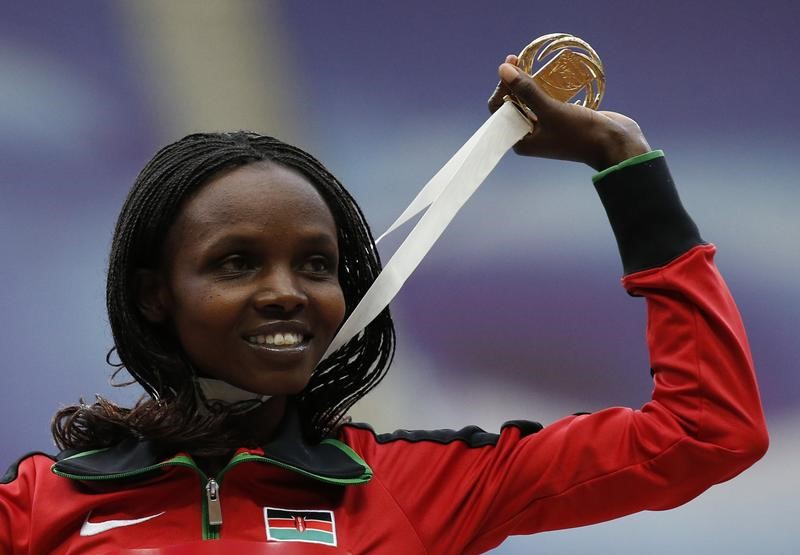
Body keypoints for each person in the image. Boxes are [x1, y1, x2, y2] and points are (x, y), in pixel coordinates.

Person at [0, 57, 768, 554]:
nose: (285, 291)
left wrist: (624, 164)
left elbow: (706, 433)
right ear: (154, 295)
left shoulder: (421, 483)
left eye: (316, 264)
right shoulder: (41, 503)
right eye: (236, 262)